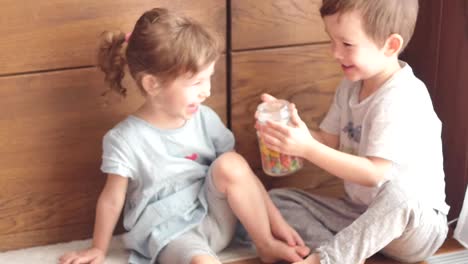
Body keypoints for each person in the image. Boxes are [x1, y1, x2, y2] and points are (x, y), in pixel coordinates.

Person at [58, 7, 309, 264]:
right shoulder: (124, 139)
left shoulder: (205, 118)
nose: (206, 92)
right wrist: (98, 249)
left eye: (208, 79)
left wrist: (275, 227)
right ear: (152, 85)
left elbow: (243, 177)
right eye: (196, 83)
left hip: (216, 215)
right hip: (170, 233)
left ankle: (264, 245)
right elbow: (112, 199)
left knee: (232, 163)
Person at [255, 0, 450, 263]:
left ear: (390, 45)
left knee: (401, 194)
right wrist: (290, 129)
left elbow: (373, 174)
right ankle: (345, 249)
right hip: (359, 214)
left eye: (346, 44)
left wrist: (307, 148)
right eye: (331, 40)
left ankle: (327, 259)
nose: (335, 52)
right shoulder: (349, 87)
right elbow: (327, 141)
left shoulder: (402, 97)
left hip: (413, 227)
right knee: (277, 202)